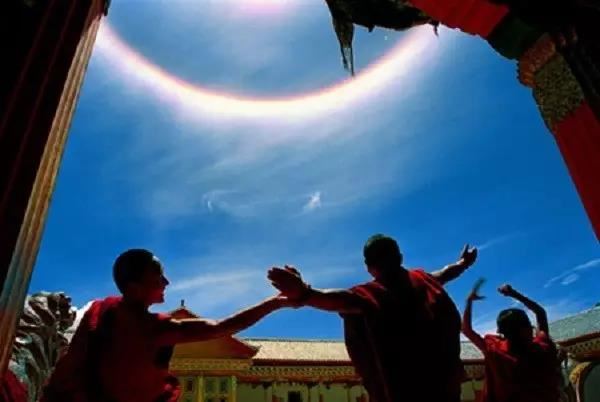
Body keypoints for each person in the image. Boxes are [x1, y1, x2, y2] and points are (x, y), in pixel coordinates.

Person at [40, 249, 296, 402]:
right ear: (135, 287)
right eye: (158, 277)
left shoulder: (100, 311)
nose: (166, 282)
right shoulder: (153, 329)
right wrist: (275, 303)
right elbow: (221, 327)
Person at [268, 234, 477, 402]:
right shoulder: (423, 281)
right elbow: (445, 273)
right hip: (447, 390)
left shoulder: (371, 295)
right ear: (400, 257)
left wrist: (306, 294)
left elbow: (338, 300)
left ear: (369, 267)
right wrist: (463, 263)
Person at [462, 282, 561, 402]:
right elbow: (540, 312)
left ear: (503, 333)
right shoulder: (542, 348)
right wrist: (514, 294)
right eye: (529, 326)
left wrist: (469, 302)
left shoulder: (496, 351)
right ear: (526, 329)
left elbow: (466, 330)